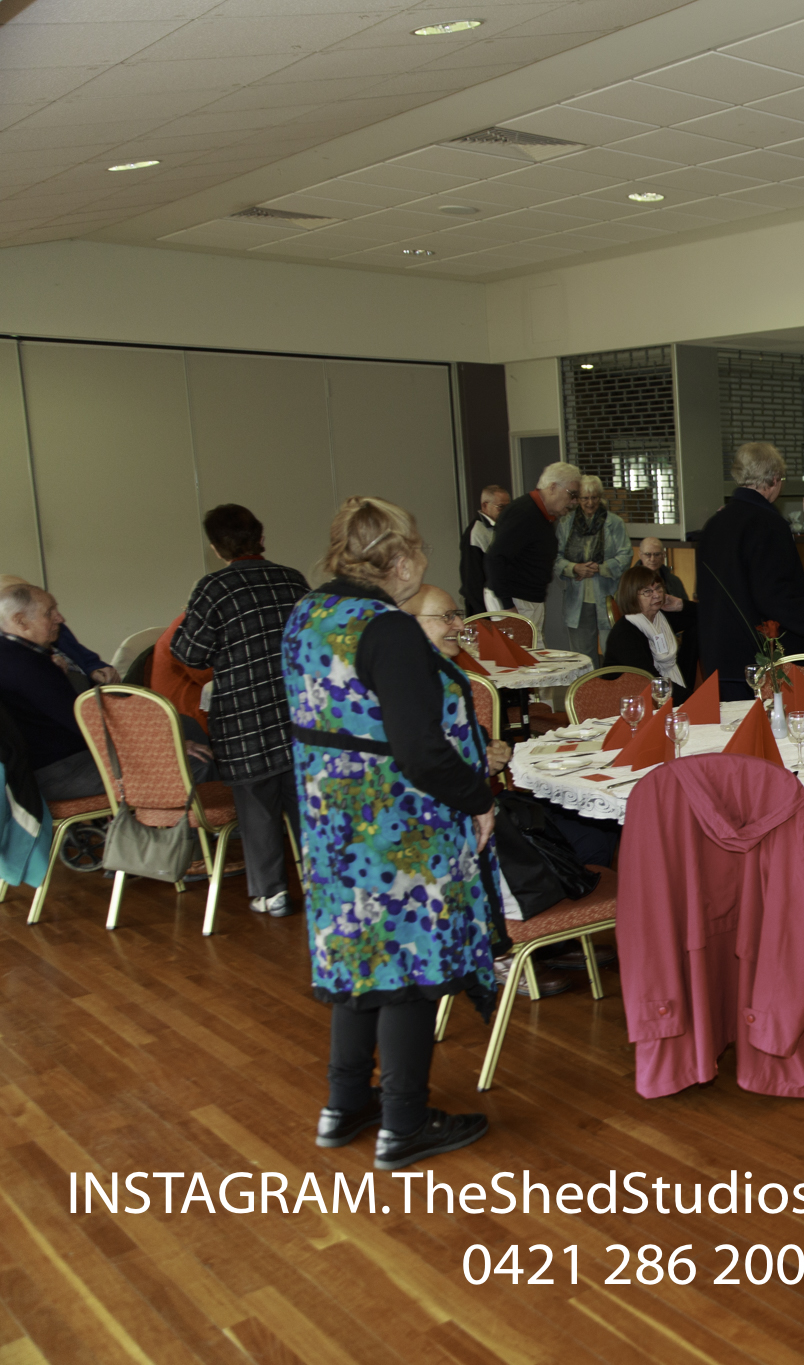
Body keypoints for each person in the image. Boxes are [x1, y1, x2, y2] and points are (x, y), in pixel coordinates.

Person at [284, 497, 495, 1172]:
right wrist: (479, 798)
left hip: (332, 822)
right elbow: (422, 751)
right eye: (419, 553)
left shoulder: (308, 613)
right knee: (408, 969)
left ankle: (344, 1104)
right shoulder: (390, 630)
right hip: (397, 828)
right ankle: (404, 1122)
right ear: (400, 560)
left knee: (360, 959)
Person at [169, 504, 310, 917]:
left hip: (245, 718)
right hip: (298, 710)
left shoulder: (214, 587)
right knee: (307, 807)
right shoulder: (292, 579)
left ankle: (272, 893)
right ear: (261, 537)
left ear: (216, 547)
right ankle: (325, 887)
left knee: (257, 808)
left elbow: (189, 653)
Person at [0, 582, 212, 801]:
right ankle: (201, 822)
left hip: (66, 761)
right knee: (196, 763)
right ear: (20, 621)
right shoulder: (24, 665)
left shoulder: (17, 655)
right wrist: (164, 745)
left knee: (184, 726)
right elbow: (83, 723)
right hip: (62, 772)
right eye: (49, 612)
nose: (60, 618)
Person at [697, 442, 804, 700]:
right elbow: (775, 595)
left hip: (717, 655)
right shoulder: (767, 524)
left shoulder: (714, 524)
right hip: (759, 660)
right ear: (774, 479)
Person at [403, 584, 512, 779]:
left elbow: (468, 734)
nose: (461, 625)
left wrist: (493, 749)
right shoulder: (400, 685)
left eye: (457, 615)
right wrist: (472, 763)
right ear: (409, 624)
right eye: (447, 617)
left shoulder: (445, 676)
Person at [484, 462, 581, 637]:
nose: (574, 501)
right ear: (553, 487)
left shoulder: (543, 515)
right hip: (513, 600)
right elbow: (495, 558)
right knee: (522, 653)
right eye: (572, 494)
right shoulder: (523, 512)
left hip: (528, 599)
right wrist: (508, 608)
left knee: (535, 651)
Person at [554, 475, 629, 666]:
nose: (590, 503)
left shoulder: (614, 523)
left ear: (600, 498)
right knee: (583, 659)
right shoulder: (566, 523)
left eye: (594, 497)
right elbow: (555, 557)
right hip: (577, 600)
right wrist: (574, 568)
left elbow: (625, 555)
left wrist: (602, 568)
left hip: (607, 597)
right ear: (577, 499)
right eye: (585, 498)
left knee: (613, 652)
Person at [603, 564, 688, 687]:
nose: (657, 595)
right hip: (628, 694)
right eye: (647, 591)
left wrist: (680, 604)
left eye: (658, 588)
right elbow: (650, 679)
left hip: (657, 687)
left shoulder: (661, 618)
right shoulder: (625, 633)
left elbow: (701, 619)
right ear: (631, 596)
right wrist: (690, 696)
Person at [632, 537, 696, 684]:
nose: (652, 559)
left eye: (657, 554)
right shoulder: (630, 581)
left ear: (663, 556)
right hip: (644, 627)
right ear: (640, 555)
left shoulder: (674, 581)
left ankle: (686, 681)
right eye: (648, 554)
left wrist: (677, 635)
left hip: (672, 626)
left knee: (696, 626)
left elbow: (685, 611)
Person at [460, 484, 510, 616]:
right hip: (484, 607)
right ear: (485, 505)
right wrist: (483, 614)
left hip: (502, 602)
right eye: (501, 507)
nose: (506, 511)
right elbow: (472, 579)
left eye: (509, 507)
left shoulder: (503, 527)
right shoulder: (476, 532)